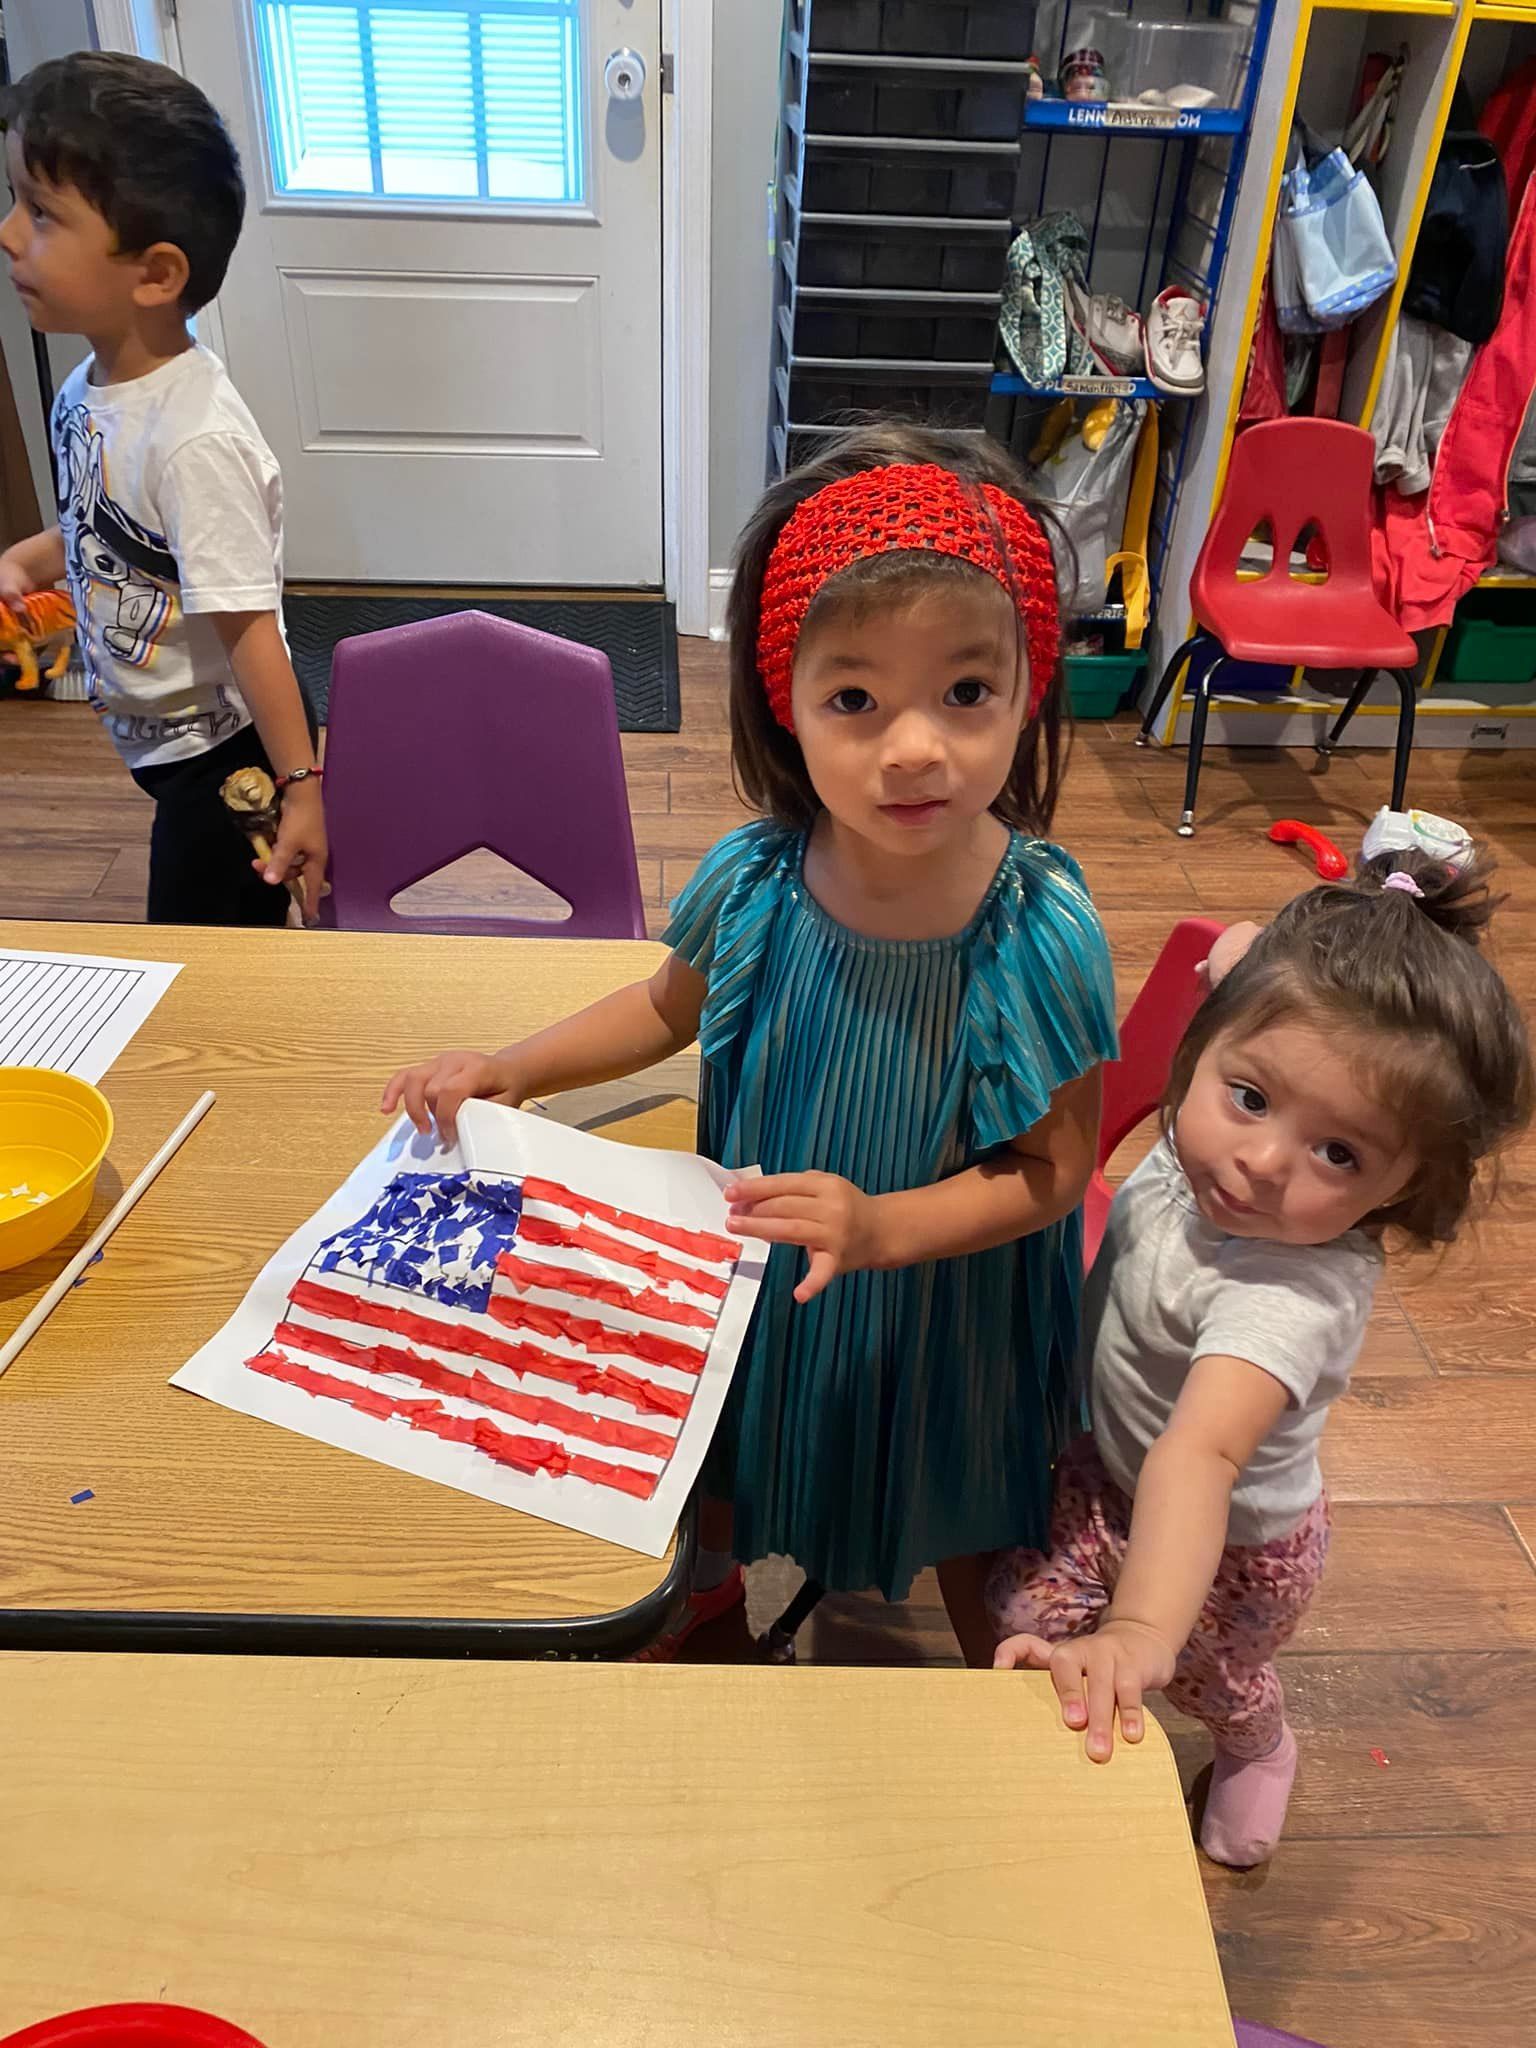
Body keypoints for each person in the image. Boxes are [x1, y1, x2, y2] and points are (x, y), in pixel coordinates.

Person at [381, 424, 1117, 1664]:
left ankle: (1002, 1689)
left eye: (966, 691)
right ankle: (708, 1592)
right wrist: (517, 1064)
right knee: (724, 1441)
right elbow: (667, 1006)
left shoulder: (1039, 928)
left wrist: (885, 1228)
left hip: (941, 1304)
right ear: (787, 705)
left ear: (1030, 686)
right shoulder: (762, 878)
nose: (916, 745)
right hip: (763, 1252)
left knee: (955, 1504)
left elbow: (1054, 1171)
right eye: (856, 699)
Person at [989, 851, 1533, 1864]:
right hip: (1110, 1465)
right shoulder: (1220, 1121)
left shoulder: (1284, 1293)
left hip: (1231, 1544)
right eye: (1250, 1095)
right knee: (1025, 1605)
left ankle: (1260, 1748)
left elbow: (1200, 1453)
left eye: (1341, 1153)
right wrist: (1241, 959)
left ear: (1403, 1188)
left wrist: (1146, 1628)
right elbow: (1236, 970)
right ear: (1208, 1047)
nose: (1266, 1159)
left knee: (1208, 1677)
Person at [0, 52, 326, 925]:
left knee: (206, 948)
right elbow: (104, 524)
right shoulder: (91, 390)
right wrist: (28, 562)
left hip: (226, 754)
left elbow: (250, 628)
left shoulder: (195, 441)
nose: (8, 233)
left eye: (40, 214)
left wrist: (301, 789)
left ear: (154, 274)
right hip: (157, 736)